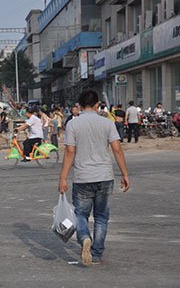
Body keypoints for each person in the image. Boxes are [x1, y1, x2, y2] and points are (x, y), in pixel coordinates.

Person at [58, 90, 130, 266]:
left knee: (80, 213)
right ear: (97, 105)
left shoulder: (73, 125)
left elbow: (69, 152)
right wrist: (125, 174)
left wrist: (63, 178)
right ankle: (96, 254)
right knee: (101, 217)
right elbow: (117, 149)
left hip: (83, 177)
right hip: (104, 176)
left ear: (79, 106)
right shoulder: (107, 123)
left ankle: (84, 238)